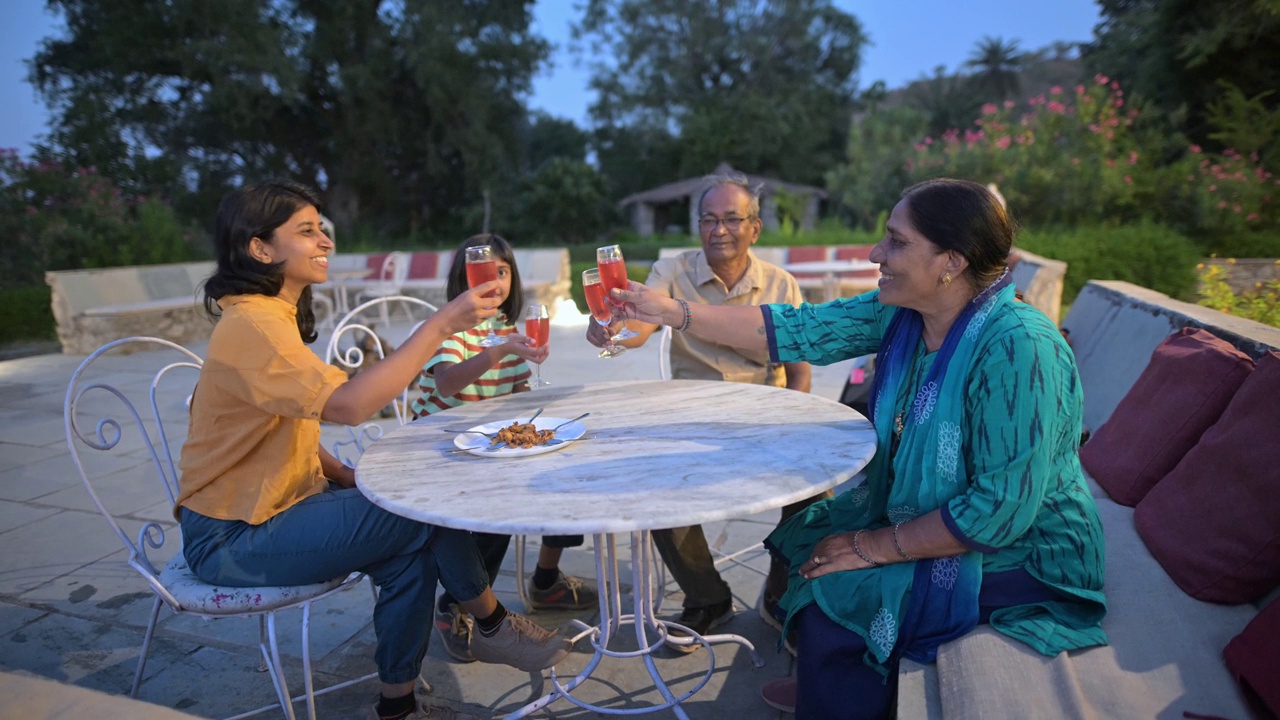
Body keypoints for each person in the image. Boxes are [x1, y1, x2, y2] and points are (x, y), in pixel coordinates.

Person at [603, 178, 1107, 719]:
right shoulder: (903, 312)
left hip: (1027, 549)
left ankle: (840, 689)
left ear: (952, 262)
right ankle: (834, 682)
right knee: (809, 541)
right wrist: (672, 312)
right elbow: (795, 329)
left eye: (896, 241)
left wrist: (876, 545)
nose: (875, 254)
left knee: (836, 591)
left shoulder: (1020, 348)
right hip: (958, 517)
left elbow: (1000, 511)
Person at [176, 181, 571, 720]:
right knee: (422, 510)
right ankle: (492, 623)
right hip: (231, 536)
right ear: (260, 248)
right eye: (306, 231)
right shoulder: (253, 325)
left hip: (279, 510)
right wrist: (441, 325)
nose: (325, 241)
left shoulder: (267, 316)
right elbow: (350, 406)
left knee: (407, 554)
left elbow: (277, 431)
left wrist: (345, 475)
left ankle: (398, 705)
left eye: (322, 229)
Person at [586, 171, 826, 649]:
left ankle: (780, 594)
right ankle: (707, 596)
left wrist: (794, 418)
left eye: (732, 219)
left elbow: (799, 369)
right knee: (647, 482)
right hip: (689, 417)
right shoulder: (673, 271)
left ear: (754, 228)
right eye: (709, 219)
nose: (719, 229)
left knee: (817, 492)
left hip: (763, 415)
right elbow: (639, 326)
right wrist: (613, 330)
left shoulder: (781, 284)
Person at [408, 233, 598, 663]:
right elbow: (447, 382)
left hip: (487, 444)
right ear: (463, 279)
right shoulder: (450, 328)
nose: (494, 281)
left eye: (503, 271)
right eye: (483, 272)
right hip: (437, 448)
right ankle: (456, 605)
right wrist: (500, 353)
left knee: (560, 466)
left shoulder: (507, 331)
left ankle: (546, 579)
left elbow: (515, 396)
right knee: (498, 509)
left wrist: (530, 386)